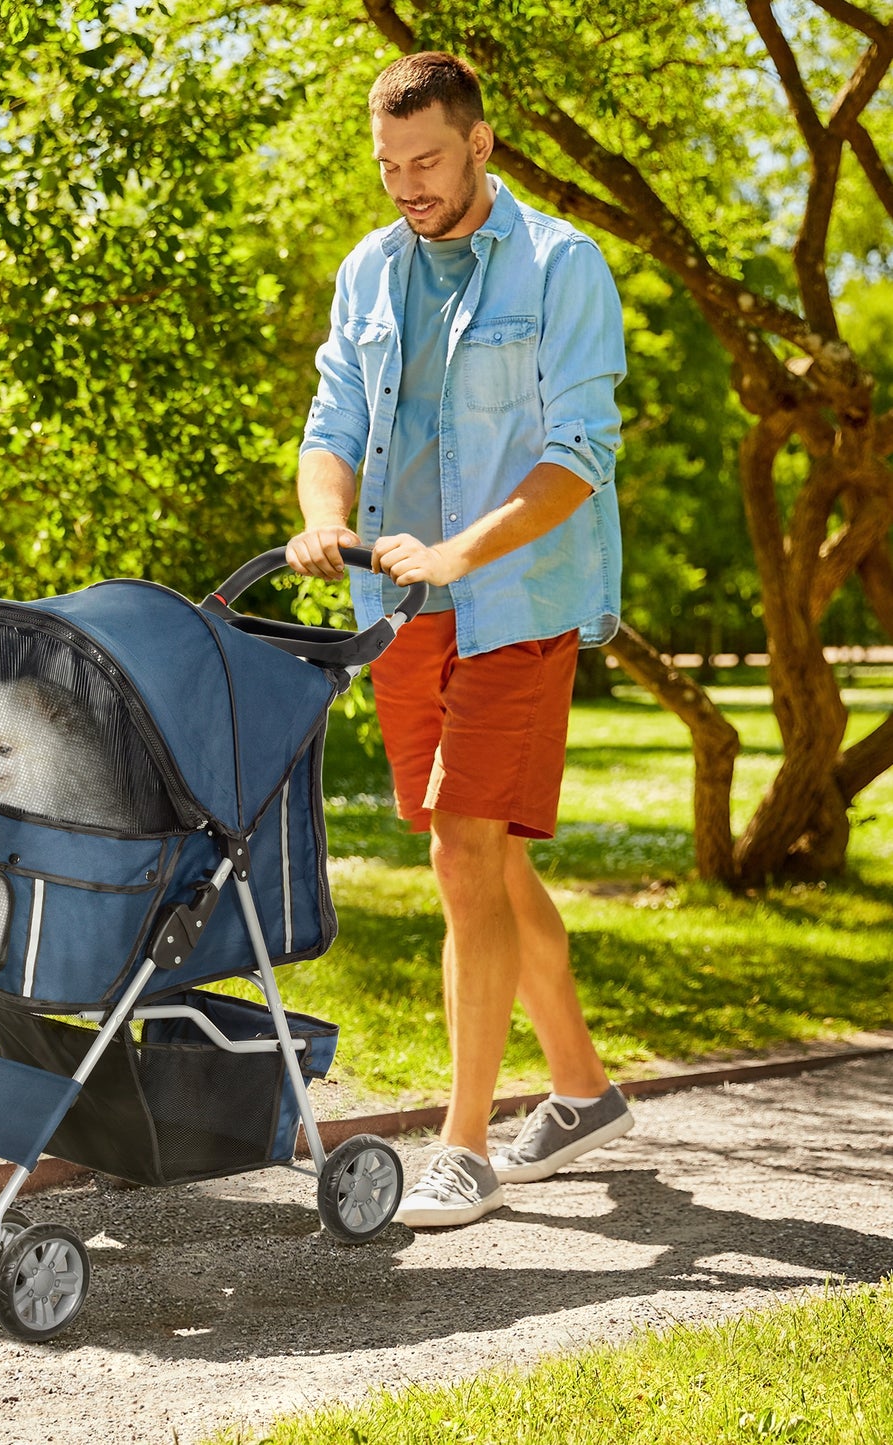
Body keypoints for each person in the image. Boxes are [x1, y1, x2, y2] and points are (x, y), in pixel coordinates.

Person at [286, 51, 633, 1228]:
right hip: (398, 615)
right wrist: (323, 520)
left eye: (424, 161)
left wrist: (454, 554)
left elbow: (578, 454)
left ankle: (464, 1142)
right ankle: (580, 1088)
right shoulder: (371, 271)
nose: (405, 187)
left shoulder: (558, 266)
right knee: (477, 850)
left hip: (513, 606)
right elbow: (331, 418)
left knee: (460, 858)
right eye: (387, 167)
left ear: (479, 143)